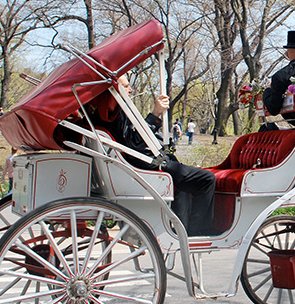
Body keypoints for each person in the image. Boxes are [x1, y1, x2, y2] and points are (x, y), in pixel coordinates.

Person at [92, 75, 217, 236]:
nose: (130, 90)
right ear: (113, 89)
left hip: (141, 161)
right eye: (126, 86)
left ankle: (182, 228)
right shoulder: (115, 113)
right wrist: (155, 113)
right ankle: (199, 230)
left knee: (181, 176)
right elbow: (135, 143)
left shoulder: (105, 113)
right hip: (144, 164)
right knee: (206, 179)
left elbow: (132, 140)